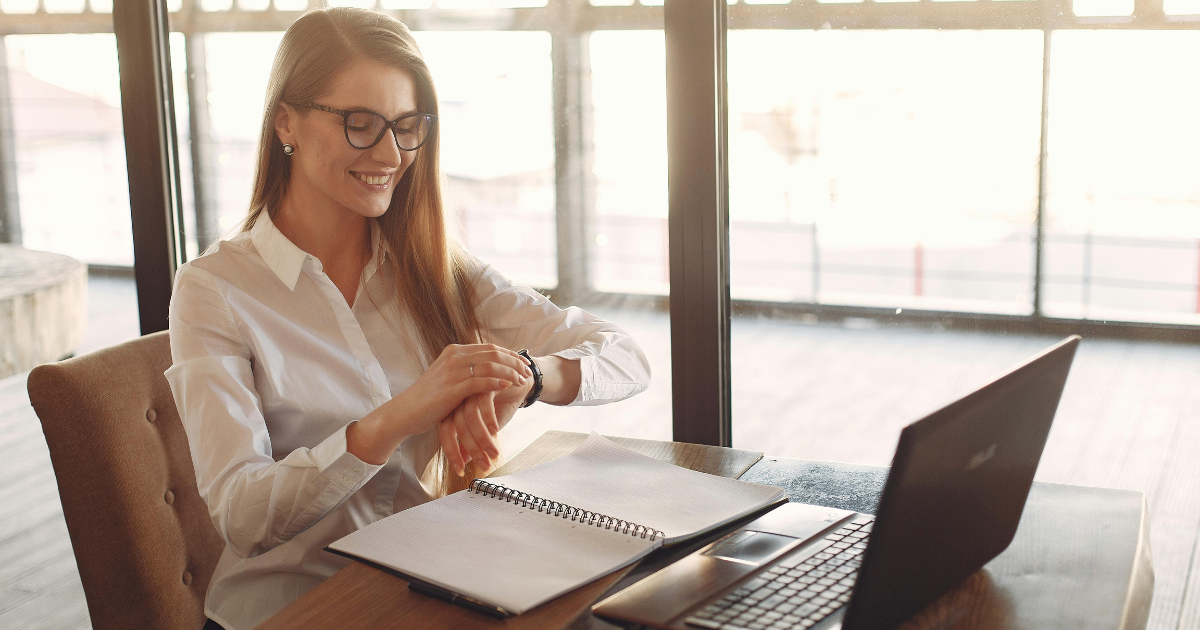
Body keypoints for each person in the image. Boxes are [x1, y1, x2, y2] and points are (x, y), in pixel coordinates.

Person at [164, 8, 650, 630]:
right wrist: (401, 415)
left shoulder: (431, 266)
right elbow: (243, 515)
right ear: (286, 120)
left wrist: (526, 376)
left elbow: (624, 356)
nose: (391, 153)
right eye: (360, 124)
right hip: (291, 610)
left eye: (405, 126)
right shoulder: (214, 289)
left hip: (426, 583)